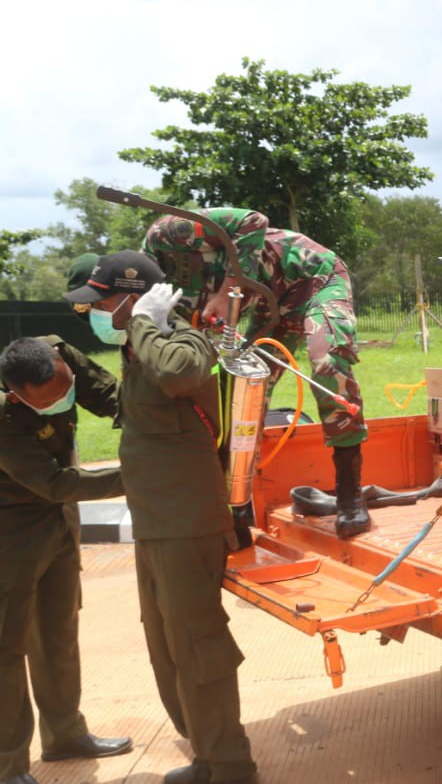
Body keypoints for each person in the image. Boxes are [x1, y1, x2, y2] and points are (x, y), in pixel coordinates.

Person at [64, 251, 257, 784]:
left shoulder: (182, 339)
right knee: (166, 645)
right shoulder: (137, 348)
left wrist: (148, 321)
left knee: (198, 647)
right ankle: (205, 753)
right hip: (155, 522)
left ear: (135, 298)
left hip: (187, 523)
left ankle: (232, 766)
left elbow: (178, 374)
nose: (94, 314)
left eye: (101, 303)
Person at [142, 209, 370, 538]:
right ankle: (237, 502)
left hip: (314, 275)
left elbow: (254, 220)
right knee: (244, 386)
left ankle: (350, 494)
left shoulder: (167, 233)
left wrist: (222, 295)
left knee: (327, 363)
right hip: (269, 300)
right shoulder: (153, 306)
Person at [0, 337, 133, 784]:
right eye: (51, 399)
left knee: (58, 632)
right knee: (6, 649)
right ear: (18, 396)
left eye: (65, 387)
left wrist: (153, 430)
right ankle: (8, 764)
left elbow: (110, 394)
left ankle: (65, 735)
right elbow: (55, 482)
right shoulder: (1, 414)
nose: (64, 400)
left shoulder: (58, 354)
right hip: (11, 530)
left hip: (59, 519)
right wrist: (139, 473)